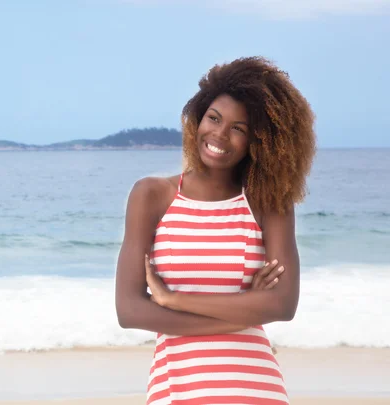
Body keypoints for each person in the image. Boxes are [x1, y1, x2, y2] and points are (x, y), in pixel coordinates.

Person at [115, 56, 316, 405]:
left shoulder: (268, 203)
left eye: (238, 128)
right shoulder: (151, 196)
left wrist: (172, 300)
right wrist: (244, 310)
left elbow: (282, 304)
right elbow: (129, 310)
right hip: (178, 388)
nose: (220, 135)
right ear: (198, 118)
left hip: (255, 387)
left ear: (260, 140)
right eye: (214, 118)